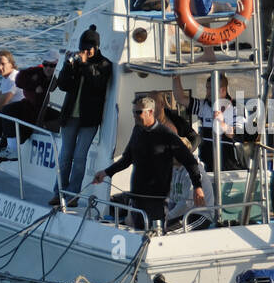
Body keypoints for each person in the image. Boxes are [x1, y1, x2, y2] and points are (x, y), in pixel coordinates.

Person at [93, 96, 205, 229]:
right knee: (138, 232)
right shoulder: (137, 130)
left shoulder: (167, 135)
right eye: (134, 112)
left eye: (138, 112)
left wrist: (197, 187)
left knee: (155, 235)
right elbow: (127, 159)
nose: (135, 115)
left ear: (150, 112)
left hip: (157, 201)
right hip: (137, 198)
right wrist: (106, 172)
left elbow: (190, 161)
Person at [52, 26, 113, 206]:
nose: (86, 51)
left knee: (80, 157)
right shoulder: (76, 62)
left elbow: (97, 84)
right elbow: (62, 85)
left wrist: (85, 63)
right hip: (70, 115)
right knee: (65, 156)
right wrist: (67, 65)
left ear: (96, 47)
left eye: (89, 48)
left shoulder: (104, 64)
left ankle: (72, 195)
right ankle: (58, 193)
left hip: (89, 119)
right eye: (83, 48)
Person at [171, 72, 246, 171]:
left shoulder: (237, 108)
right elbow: (180, 98)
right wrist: (176, 77)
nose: (208, 92)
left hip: (230, 168)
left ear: (223, 90)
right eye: (207, 88)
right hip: (207, 168)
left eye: (211, 88)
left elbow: (235, 133)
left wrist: (222, 123)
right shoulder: (204, 106)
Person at [165, 134, 215, 230]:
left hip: (200, 215)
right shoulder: (174, 169)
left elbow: (186, 203)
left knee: (170, 233)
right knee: (159, 229)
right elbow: (172, 199)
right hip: (185, 214)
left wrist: (168, 217)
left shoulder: (193, 172)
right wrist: (165, 215)